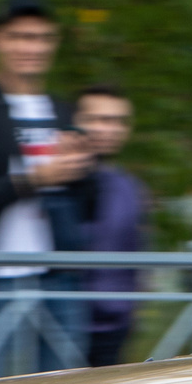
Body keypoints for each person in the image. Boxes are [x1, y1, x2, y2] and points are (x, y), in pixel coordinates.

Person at [0, 0, 94, 375]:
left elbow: (90, 204)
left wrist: (83, 171)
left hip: (59, 278)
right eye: (21, 37)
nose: (33, 48)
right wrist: (33, 181)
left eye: (43, 38)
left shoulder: (63, 110)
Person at [69, 86, 157, 366]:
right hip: (62, 321)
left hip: (116, 325)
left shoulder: (130, 187)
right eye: (99, 119)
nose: (110, 129)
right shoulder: (55, 184)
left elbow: (138, 248)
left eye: (119, 121)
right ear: (75, 122)